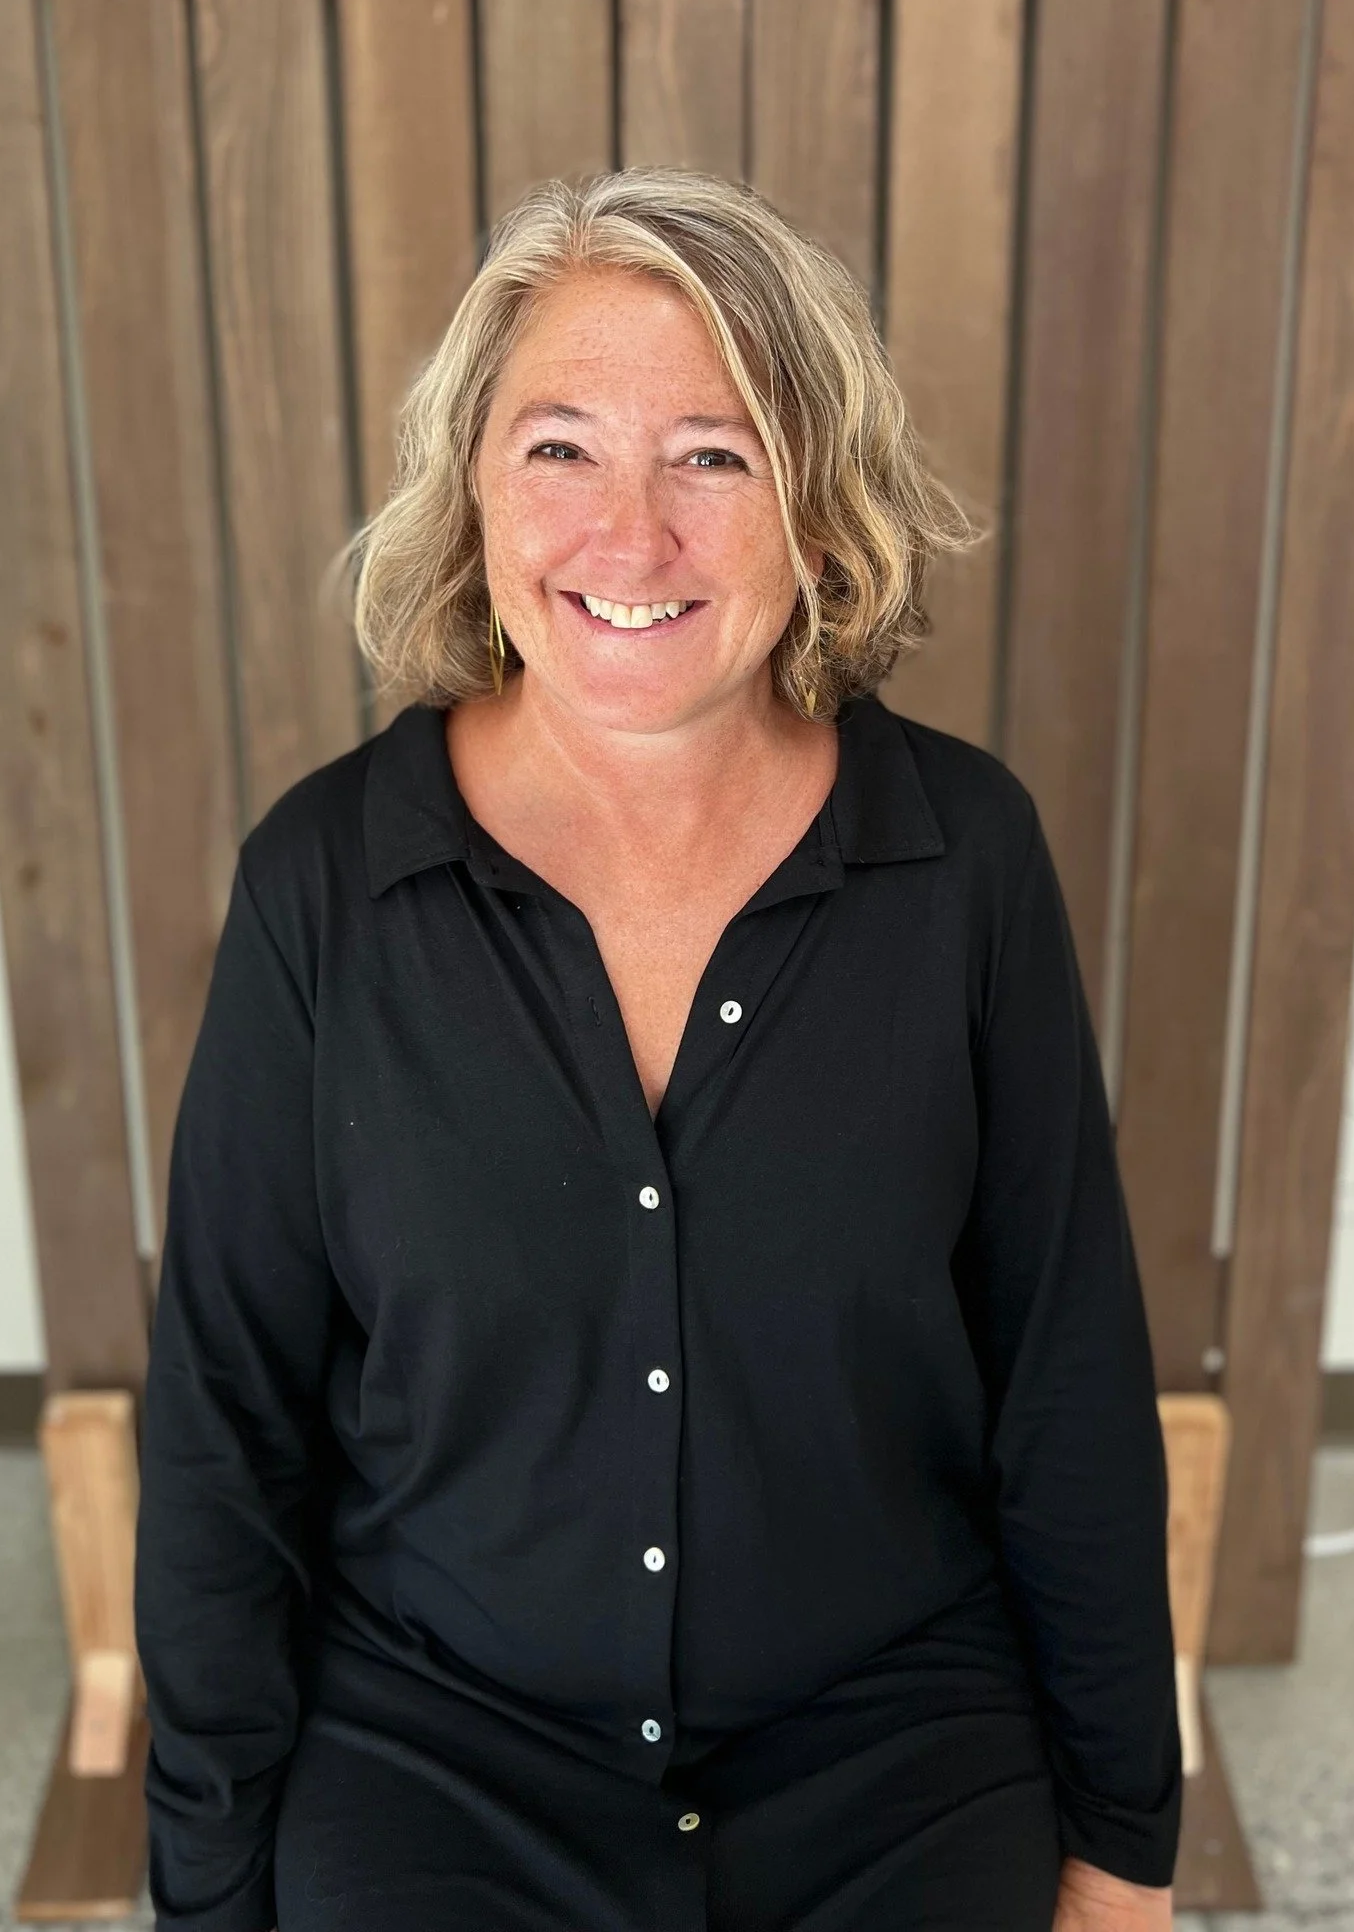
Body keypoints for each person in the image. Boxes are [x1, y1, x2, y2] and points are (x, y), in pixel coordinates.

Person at [134, 167, 1182, 1932]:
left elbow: (1065, 1375)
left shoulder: (965, 859)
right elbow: (226, 1426)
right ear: (473, 488)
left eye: (714, 454)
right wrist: (209, 1892)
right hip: (440, 1746)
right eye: (559, 449)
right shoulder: (324, 879)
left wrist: (1123, 1844)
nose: (630, 540)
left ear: (821, 511)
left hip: (888, 1740)